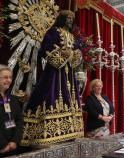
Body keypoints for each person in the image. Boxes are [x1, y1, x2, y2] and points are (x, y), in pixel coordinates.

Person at [21, 10, 84, 146]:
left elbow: (78, 52)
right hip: (55, 72)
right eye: (67, 18)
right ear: (62, 18)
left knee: (71, 96)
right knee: (49, 93)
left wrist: (73, 54)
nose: (70, 20)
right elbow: (46, 49)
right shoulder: (53, 32)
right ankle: (44, 132)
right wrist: (63, 53)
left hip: (69, 74)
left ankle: (69, 130)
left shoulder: (72, 36)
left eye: (71, 18)